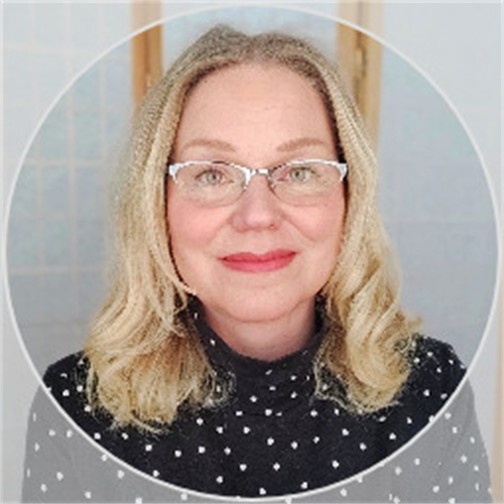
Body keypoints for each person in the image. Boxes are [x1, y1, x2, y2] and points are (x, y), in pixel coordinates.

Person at [22, 25, 491, 501]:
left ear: (350, 199)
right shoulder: (74, 409)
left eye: (300, 171)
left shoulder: (431, 388)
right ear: (156, 204)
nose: (258, 215)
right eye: (211, 174)